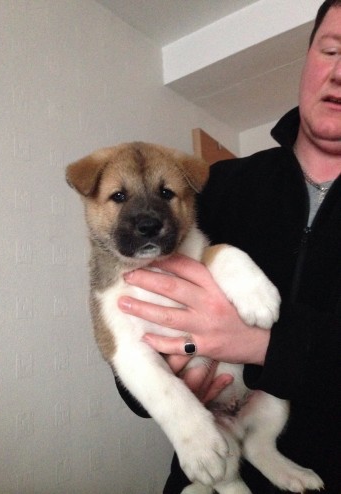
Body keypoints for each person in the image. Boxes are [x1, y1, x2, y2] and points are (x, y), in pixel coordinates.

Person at [116, 1, 341, 492]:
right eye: (332, 49)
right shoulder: (215, 185)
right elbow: (139, 313)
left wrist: (264, 345)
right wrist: (164, 376)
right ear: (307, 60)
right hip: (205, 470)